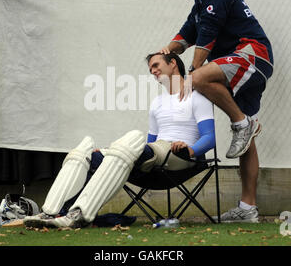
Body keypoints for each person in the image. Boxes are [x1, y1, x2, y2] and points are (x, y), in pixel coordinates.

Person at [24, 52, 216, 229]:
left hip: (181, 157)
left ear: (173, 63)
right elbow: (149, 146)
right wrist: (111, 152)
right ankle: (58, 213)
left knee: (132, 139)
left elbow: (210, 138)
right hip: (157, 157)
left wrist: (189, 150)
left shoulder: (197, 95)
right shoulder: (158, 102)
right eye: (150, 69)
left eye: (156, 65)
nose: (153, 71)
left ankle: (78, 214)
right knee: (88, 155)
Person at [160, 0, 274, 222]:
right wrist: (166, 51)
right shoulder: (200, 2)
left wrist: (192, 71)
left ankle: (241, 123)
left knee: (198, 78)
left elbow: (207, 35)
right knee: (247, 143)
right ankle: (248, 209)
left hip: (251, 55)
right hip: (242, 63)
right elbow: (185, 35)